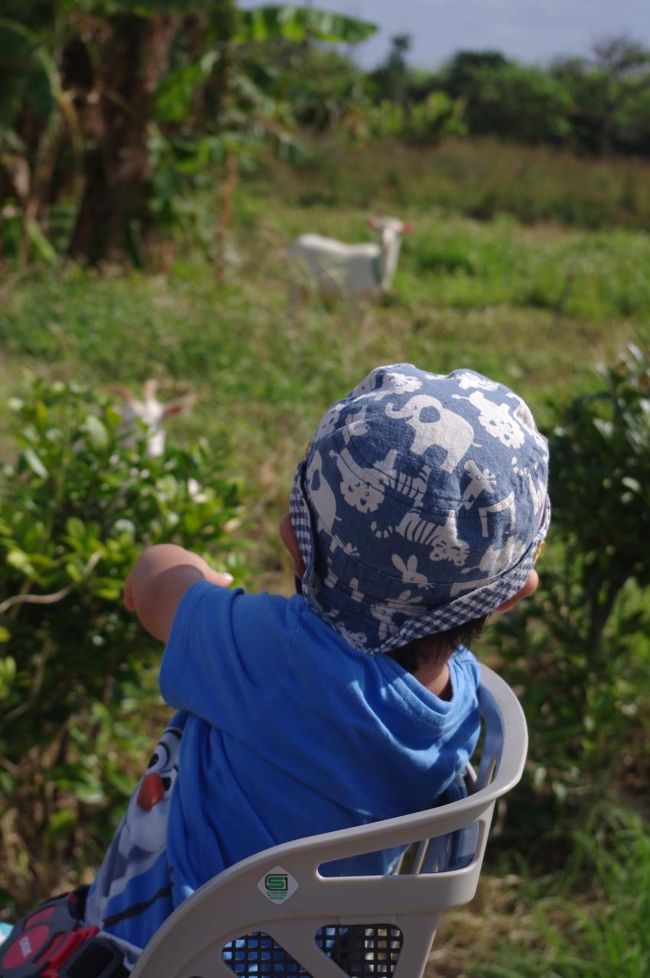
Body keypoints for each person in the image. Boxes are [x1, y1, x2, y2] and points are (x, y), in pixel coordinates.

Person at [82, 362, 550, 953]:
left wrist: (193, 572)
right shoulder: (459, 713)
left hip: (148, 951)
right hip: (301, 960)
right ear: (512, 595)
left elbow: (154, 582)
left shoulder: (274, 659)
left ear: (292, 541)